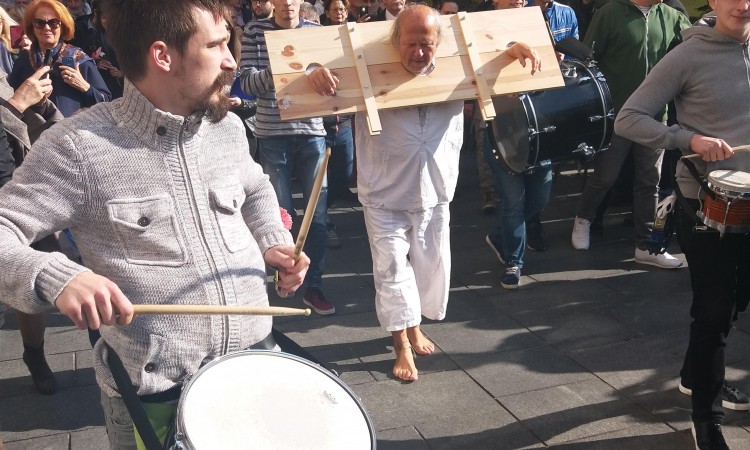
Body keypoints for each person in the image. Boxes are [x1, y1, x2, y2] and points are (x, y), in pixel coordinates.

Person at [0, 0, 309, 449]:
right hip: (156, 396)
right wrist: (57, 276)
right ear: (163, 56)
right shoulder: (78, 148)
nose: (230, 60)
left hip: (255, 362)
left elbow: (257, 189)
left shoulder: (227, 128)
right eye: (218, 45)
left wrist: (273, 240)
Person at [307, 3, 541, 380]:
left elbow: (497, 47)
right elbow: (305, 65)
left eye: (427, 45)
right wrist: (314, 70)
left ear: (439, 43)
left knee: (430, 265)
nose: (418, 53)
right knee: (392, 268)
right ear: (395, 41)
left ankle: (414, 324)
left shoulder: (461, 67)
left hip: (435, 187)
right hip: (385, 190)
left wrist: (510, 49)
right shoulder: (368, 63)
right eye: (411, 43)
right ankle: (400, 341)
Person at [615, 2, 750, 447]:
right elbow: (629, 118)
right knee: (713, 310)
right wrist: (688, 139)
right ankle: (706, 419)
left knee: (736, 301)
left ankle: (695, 377)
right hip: (706, 202)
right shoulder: (687, 55)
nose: (743, 5)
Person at [569, 0, 689, 270]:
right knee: (606, 175)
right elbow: (588, 59)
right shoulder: (610, 13)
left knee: (650, 181)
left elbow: (692, 50)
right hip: (617, 113)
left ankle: (646, 244)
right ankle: (584, 218)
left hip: (655, 116)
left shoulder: (671, 16)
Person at [240, 0, 336, 316]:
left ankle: (315, 285)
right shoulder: (255, 31)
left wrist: (321, 74)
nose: (286, 4)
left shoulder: (316, 31)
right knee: (280, 216)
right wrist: (287, 66)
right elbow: (249, 83)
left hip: (312, 131)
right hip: (272, 134)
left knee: (317, 216)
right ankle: (285, 279)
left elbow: (334, 83)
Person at [0, 64, 63, 395]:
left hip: (14, 187)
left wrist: (34, 104)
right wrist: (15, 104)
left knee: (30, 291)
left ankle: (34, 354)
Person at [480, 0, 551, 289]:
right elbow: (485, 60)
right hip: (503, 127)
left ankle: (499, 236)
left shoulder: (536, 22)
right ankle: (514, 261)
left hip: (537, 123)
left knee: (541, 196)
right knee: (513, 202)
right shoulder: (480, 26)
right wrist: (511, 48)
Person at [8, 0, 110, 117]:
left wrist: (84, 86)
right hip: (35, 132)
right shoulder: (24, 61)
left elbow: (106, 102)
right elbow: (12, 100)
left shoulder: (78, 59)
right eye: (39, 23)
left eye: (53, 22)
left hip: (73, 131)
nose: (46, 28)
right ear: (32, 27)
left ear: (63, 26)